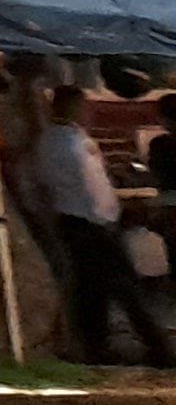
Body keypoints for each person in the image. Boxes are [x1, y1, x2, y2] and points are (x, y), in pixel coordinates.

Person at [23, 82, 174, 367]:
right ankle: (156, 348)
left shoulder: (76, 138)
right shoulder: (55, 143)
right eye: (81, 106)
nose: (86, 112)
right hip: (82, 223)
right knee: (121, 285)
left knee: (95, 290)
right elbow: (54, 185)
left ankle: (100, 347)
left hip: (98, 222)